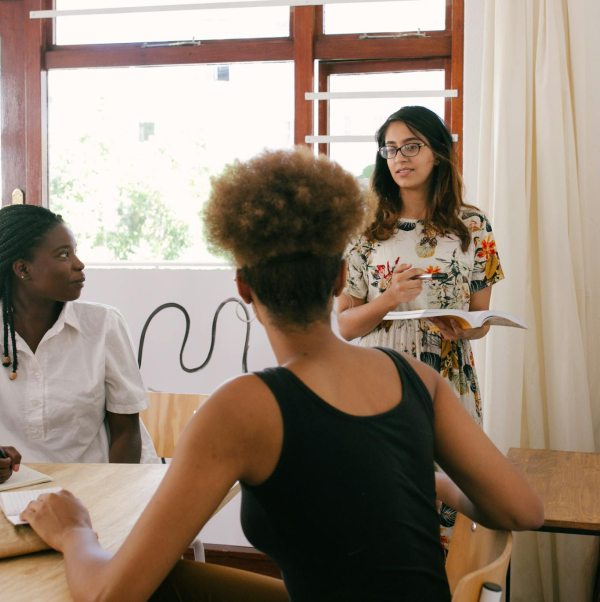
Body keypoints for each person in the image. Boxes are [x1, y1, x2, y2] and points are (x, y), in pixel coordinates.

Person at [22, 148, 543, 602]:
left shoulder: (241, 406)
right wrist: (428, 480)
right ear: (341, 277)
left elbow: (109, 595)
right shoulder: (412, 375)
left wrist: (74, 533)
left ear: (243, 287)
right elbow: (523, 509)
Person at [336, 106, 505, 548]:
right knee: (381, 507)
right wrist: (389, 299)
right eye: (390, 149)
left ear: (439, 154)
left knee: (446, 514)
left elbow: (480, 316)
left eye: (412, 146)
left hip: (448, 378)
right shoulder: (364, 230)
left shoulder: (473, 226)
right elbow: (345, 327)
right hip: (378, 380)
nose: (399, 157)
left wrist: (464, 329)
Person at [0, 204, 157, 464]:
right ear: (23, 269)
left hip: (95, 491)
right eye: (63, 255)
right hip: (11, 492)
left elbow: (127, 432)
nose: (79, 264)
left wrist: (112, 500)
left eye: (75, 252)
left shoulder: (103, 325)